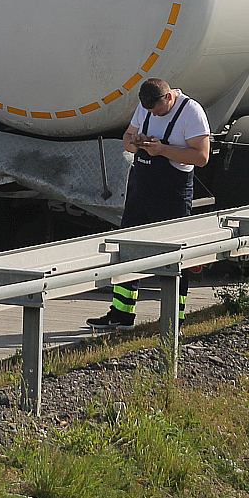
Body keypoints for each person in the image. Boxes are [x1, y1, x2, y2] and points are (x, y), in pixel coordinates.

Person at [87, 78, 211, 330]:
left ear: (168, 98)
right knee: (127, 250)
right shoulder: (145, 107)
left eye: (156, 110)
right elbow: (127, 138)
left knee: (176, 256)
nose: (152, 114)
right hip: (141, 188)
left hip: (172, 192)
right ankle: (121, 314)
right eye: (148, 110)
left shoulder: (191, 112)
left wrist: (163, 150)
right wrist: (134, 143)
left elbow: (201, 156)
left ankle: (175, 316)